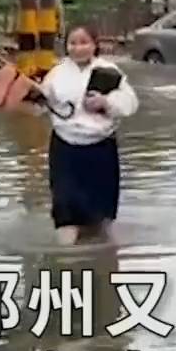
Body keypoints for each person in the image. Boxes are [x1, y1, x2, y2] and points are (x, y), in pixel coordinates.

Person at [36, 24, 138, 245]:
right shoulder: (56, 73)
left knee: (101, 209)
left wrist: (105, 102)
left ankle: (103, 254)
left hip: (100, 146)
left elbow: (130, 103)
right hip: (65, 146)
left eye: (84, 42)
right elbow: (42, 104)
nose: (78, 48)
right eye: (73, 43)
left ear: (94, 45)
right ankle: (66, 255)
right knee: (64, 203)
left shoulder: (109, 71)